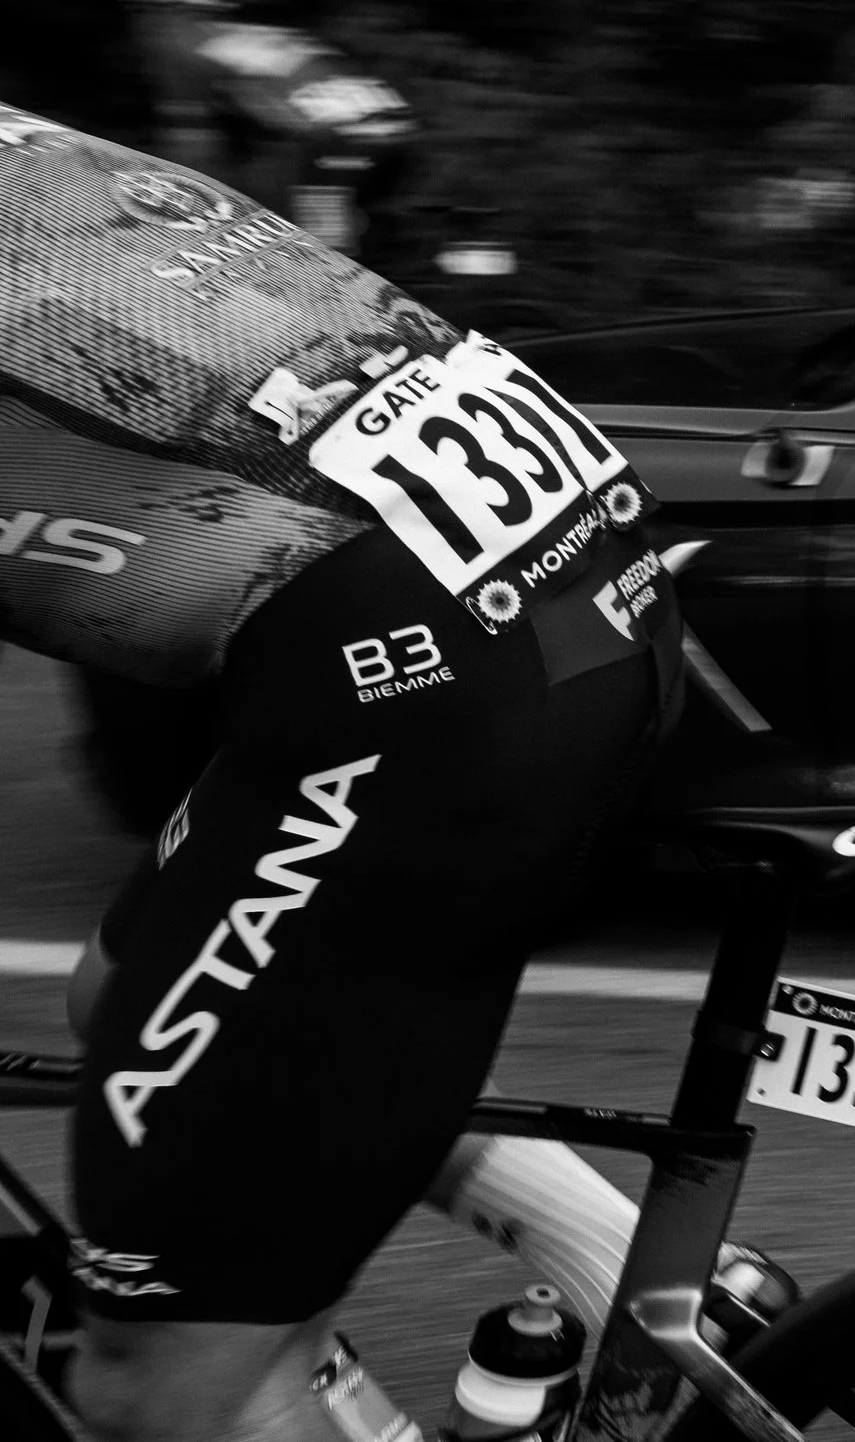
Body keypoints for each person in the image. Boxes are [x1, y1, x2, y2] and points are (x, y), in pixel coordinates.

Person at [0, 100, 678, 1439]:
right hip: (573, 579)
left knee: (154, 1378)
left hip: (415, 673)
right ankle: (625, 1267)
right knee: (123, 992)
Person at [108, 0, 419, 260]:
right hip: (390, 128)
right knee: (321, 224)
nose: (139, 23)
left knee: (308, 245)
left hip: (329, 139)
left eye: (139, 9)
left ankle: (319, 278)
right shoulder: (254, 33)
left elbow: (194, 145)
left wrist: (172, 202)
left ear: (169, 7)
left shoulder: (178, 43)